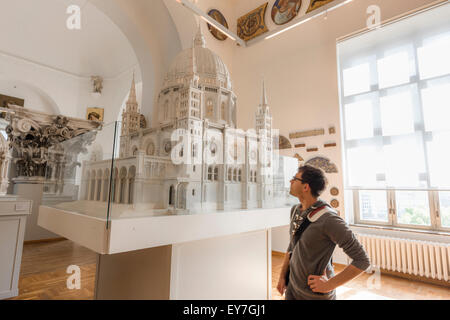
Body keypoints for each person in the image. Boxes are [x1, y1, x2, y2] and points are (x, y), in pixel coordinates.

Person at [277, 165, 370, 300]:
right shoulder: (295, 210)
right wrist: (282, 276)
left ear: (305, 187)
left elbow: (362, 260)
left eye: (294, 179)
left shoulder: (329, 219)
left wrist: (328, 285)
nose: (290, 182)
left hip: (314, 296)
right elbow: (292, 246)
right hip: (292, 290)